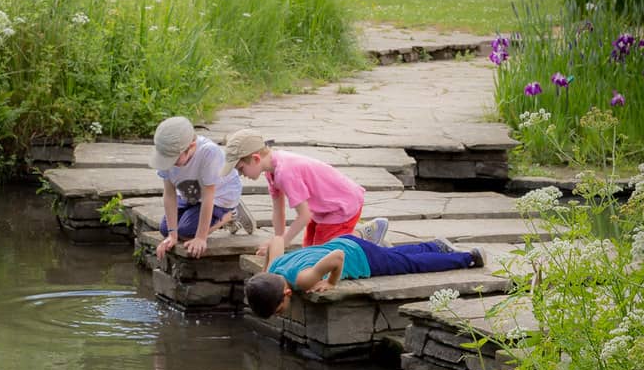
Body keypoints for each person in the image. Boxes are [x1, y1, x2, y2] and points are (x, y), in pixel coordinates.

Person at [245, 232, 486, 319]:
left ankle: (469, 257)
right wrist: (266, 270)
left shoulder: (303, 280)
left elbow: (337, 257)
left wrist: (330, 282)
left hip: (359, 258)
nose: (282, 313)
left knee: (410, 265)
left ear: (287, 294)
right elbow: (277, 240)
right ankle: (436, 247)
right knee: (397, 257)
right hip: (345, 241)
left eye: (279, 310)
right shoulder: (275, 268)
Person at [221, 129, 389, 252]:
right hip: (323, 208)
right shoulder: (270, 171)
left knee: (323, 255)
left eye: (241, 169)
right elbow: (278, 211)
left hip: (342, 205)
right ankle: (355, 234)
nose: (241, 175)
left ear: (256, 159)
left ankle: (365, 237)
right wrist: (277, 240)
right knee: (308, 250)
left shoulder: (285, 172)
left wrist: (283, 244)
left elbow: (304, 216)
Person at [150, 116, 254, 261]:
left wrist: (200, 237)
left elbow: (208, 195)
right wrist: (172, 235)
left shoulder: (208, 152)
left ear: (191, 147)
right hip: (190, 192)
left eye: (174, 159)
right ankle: (211, 217)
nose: (170, 164)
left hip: (219, 195)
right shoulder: (166, 154)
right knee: (165, 229)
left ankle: (230, 214)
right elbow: (169, 194)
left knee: (187, 232)